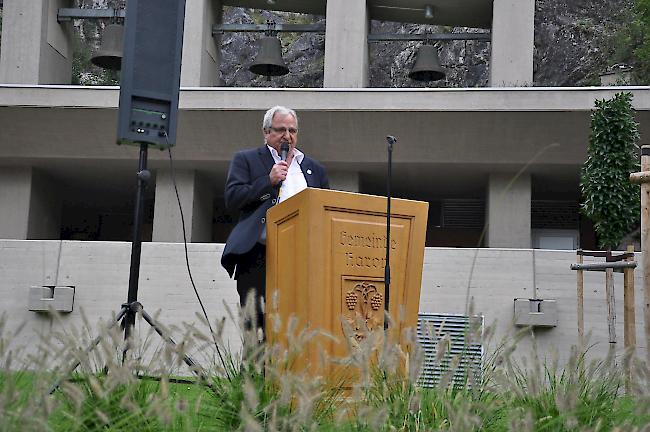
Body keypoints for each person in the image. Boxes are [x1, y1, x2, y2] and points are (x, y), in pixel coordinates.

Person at [221, 106, 329, 336]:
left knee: (296, 325)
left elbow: (324, 211)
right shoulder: (247, 159)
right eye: (280, 130)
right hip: (259, 255)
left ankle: (289, 372)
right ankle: (255, 372)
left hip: (301, 258)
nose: (287, 136)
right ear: (266, 132)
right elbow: (232, 199)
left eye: (292, 130)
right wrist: (267, 181)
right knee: (257, 328)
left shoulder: (314, 169)